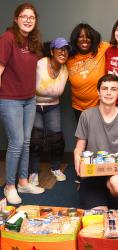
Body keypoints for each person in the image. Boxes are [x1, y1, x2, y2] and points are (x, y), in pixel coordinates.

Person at [74, 74, 118, 210]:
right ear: (98, 92)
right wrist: (77, 156)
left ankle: (114, 198)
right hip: (93, 174)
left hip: (117, 172)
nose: (108, 92)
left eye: (113, 89)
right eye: (104, 88)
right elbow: (79, 147)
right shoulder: (86, 115)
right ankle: (95, 197)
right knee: (100, 216)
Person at [0, 3, 45, 204]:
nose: (28, 20)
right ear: (16, 19)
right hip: (10, 99)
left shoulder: (33, 42)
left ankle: (23, 182)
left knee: (26, 141)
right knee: (17, 142)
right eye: (24, 16)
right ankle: (9, 186)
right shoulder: (8, 38)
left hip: (29, 98)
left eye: (32, 17)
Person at [28, 38, 70, 186]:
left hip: (52, 106)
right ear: (52, 51)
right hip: (34, 105)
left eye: (66, 49)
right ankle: (33, 172)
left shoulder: (65, 68)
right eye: (59, 49)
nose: (63, 52)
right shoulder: (40, 64)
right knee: (36, 139)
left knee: (56, 138)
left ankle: (56, 168)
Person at [67, 23, 110, 122]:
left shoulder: (101, 49)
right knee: (83, 136)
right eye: (80, 37)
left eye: (88, 37)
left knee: (99, 136)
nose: (84, 40)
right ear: (75, 39)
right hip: (78, 108)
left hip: (99, 107)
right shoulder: (69, 57)